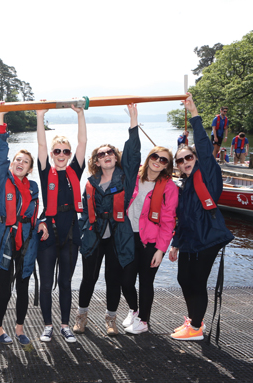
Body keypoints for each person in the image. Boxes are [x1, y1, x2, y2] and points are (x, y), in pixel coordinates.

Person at [169, 94, 234, 341]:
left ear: (195, 159)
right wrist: (175, 243)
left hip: (209, 237)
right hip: (189, 239)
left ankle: (196, 327)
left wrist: (194, 111)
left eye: (189, 157)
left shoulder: (207, 173)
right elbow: (182, 219)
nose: (185, 162)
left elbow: (206, 148)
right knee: (183, 278)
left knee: (196, 281)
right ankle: (193, 319)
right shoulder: (183, 187)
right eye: (180, 160)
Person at [74, 104, 141, 336]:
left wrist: (133, 121)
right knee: (88, 280)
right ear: (97, 161)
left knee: (113, 279)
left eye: (109, 153)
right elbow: (84, 213)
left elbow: (133, 153)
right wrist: (83, 232)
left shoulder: (126, 178)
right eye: (101, 154)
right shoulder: (91, 183)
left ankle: (110, 319)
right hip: (93, 236)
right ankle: (81, 316)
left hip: (118, 236)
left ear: (115, 157)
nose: (106, 156)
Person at [0, 106, 48, 346]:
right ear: (11, 164)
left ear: (30, 168)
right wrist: (0, 119)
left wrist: (42, 222)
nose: (21, 163)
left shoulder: (33, 187)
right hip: (4, 238)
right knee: (5, 290)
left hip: (27, 241)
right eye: (17, 160)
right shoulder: (1, 179)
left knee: (23, 288)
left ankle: (20, 328)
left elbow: (37, 211)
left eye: (25, 161)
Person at [35, 104, 87, 343]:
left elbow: (83, 143)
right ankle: (47, 326)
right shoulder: (46, 171)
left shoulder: (75, 170)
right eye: (58, 151)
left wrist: (80, 114)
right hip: (49, 231)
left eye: (65, 151)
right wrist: (39, 116)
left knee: (65, 282)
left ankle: (65, 325)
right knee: (46, 283)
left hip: (71, 231)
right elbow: (42, 145)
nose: (62, 154)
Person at [120, 146, 178, 334]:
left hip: (151, 242)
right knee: (126, 281)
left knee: (146, 282)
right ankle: (134, 310)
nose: (158, 161)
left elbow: (169, 221)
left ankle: (143, 321)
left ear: (167, 166)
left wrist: (161, 250)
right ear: (148, 157)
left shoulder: (169, 188)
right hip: (129, 237)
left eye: (164, 160)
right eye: (155, 156)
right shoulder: (134, 178)